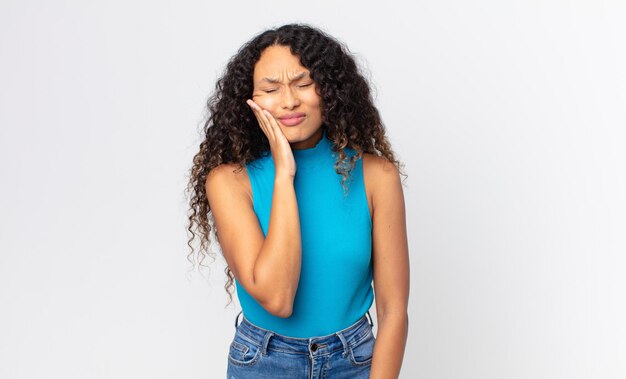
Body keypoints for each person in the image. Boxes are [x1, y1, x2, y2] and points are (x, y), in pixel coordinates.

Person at [186, 23, 409, 378]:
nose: (289, 101)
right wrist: (284, 175)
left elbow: (393, 308)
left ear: (332, 91)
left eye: (304, 84)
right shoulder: (229, 181)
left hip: (355, 360)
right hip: (264, 361)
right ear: (249, 100)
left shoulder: (376, 176)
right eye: (270, 89)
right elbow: (278, 298)